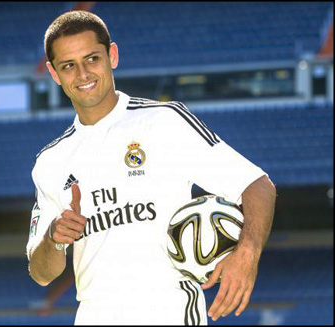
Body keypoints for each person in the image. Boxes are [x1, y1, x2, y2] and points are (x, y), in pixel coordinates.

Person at [26, 10, 276, 325]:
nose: (83, 74)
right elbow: (41, 273)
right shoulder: (51, 161)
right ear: (53, 73)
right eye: (68, 66)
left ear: (112, 55)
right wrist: (53, 238)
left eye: (92, 59)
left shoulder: (164, 121)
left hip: (167, 311)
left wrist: (247, 253)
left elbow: (257, 185)